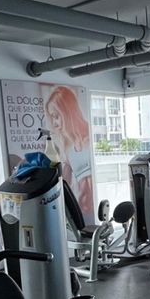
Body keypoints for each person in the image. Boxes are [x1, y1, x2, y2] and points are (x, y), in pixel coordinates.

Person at [44, 86, 95, 219]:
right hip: (81, 211)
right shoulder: (67, 147)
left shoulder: (91, 137)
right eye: (52, 117)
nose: (54, 123)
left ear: (67, 112)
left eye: (56, 116)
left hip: (95, 209)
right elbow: (63, 184)